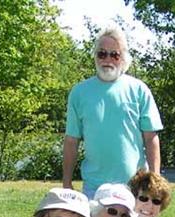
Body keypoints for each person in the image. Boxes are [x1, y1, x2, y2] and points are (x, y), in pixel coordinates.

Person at [62, 25, 163, 199]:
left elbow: (150, 137)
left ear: (123, 58)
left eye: (114, 54)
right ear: (95, 56)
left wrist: (154, 179)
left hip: (135, 187)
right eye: (102, 53)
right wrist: (66, 183)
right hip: (94, 189)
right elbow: (71, 141)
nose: (107, 59)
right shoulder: (79, 93)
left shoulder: (139, 90)